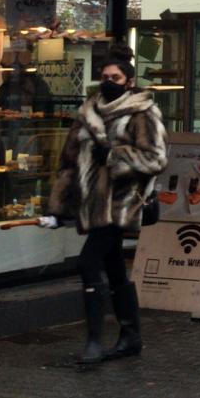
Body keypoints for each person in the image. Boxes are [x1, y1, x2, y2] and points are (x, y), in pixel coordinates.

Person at [39, 43, 167, 364]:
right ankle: (130, 336)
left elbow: (156, 158)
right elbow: (68, 163)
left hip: (123, 203)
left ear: (128, 80)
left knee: (87, 263)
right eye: (104, 76)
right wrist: (57, 208)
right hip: (94, 203)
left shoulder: (143, 111)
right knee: (113, 268)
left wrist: (113, 156)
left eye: (115, 76)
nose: (108, 81)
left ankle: (94, 341)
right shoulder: (87, 112)